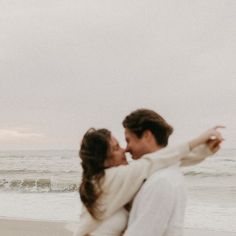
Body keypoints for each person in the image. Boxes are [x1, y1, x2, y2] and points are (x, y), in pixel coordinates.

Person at [74, 118, 222, 236]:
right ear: (104, 160)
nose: (124, 150)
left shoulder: (119, 180)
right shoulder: (107, 180)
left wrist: (204, 150)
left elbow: (162, 161)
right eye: (116, 148)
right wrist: (200, 141)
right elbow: (153, 161)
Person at [122, 108, 223, 236]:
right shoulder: (159, 176)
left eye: (128, 140)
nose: (126, 149)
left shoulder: (161, 181)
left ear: (147, 136)